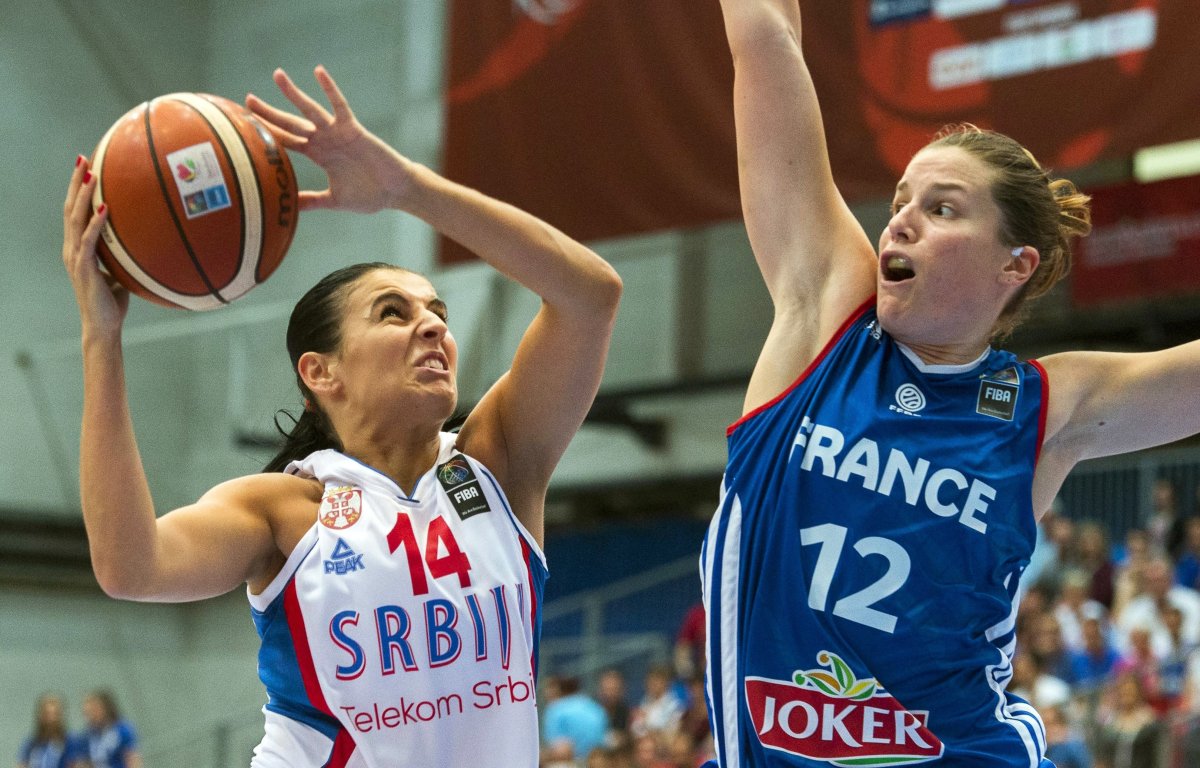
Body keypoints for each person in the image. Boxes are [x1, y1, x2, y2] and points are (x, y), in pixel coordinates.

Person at [62, 66, 621, 768]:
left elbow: (590, 296)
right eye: (393, 313)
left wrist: (407, 188)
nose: (433, 328)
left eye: (438, 313)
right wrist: (101, 337)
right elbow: (130, 566)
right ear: (321, 372)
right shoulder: (280, 508)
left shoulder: (499, 462)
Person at [702, 1, 1200, 765]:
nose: (900, 221)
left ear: (1014, 265)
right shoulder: (824, 321)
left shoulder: (1044, 408)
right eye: (902, 200)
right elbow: (766, 41)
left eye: (941, 209)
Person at [75, 690, 140, 768]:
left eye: (93, 711)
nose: (91, 717)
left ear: (105, 708)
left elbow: (132, 760)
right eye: (87, 714)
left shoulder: (122, 730)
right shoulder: (88, 736)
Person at [17, 693, 81, 768]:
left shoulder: (71, 741)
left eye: (55, 714)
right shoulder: (31, 742)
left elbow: (76, 763)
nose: (52, 719)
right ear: (40, 716)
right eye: (48, 714)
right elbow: (22, 764)